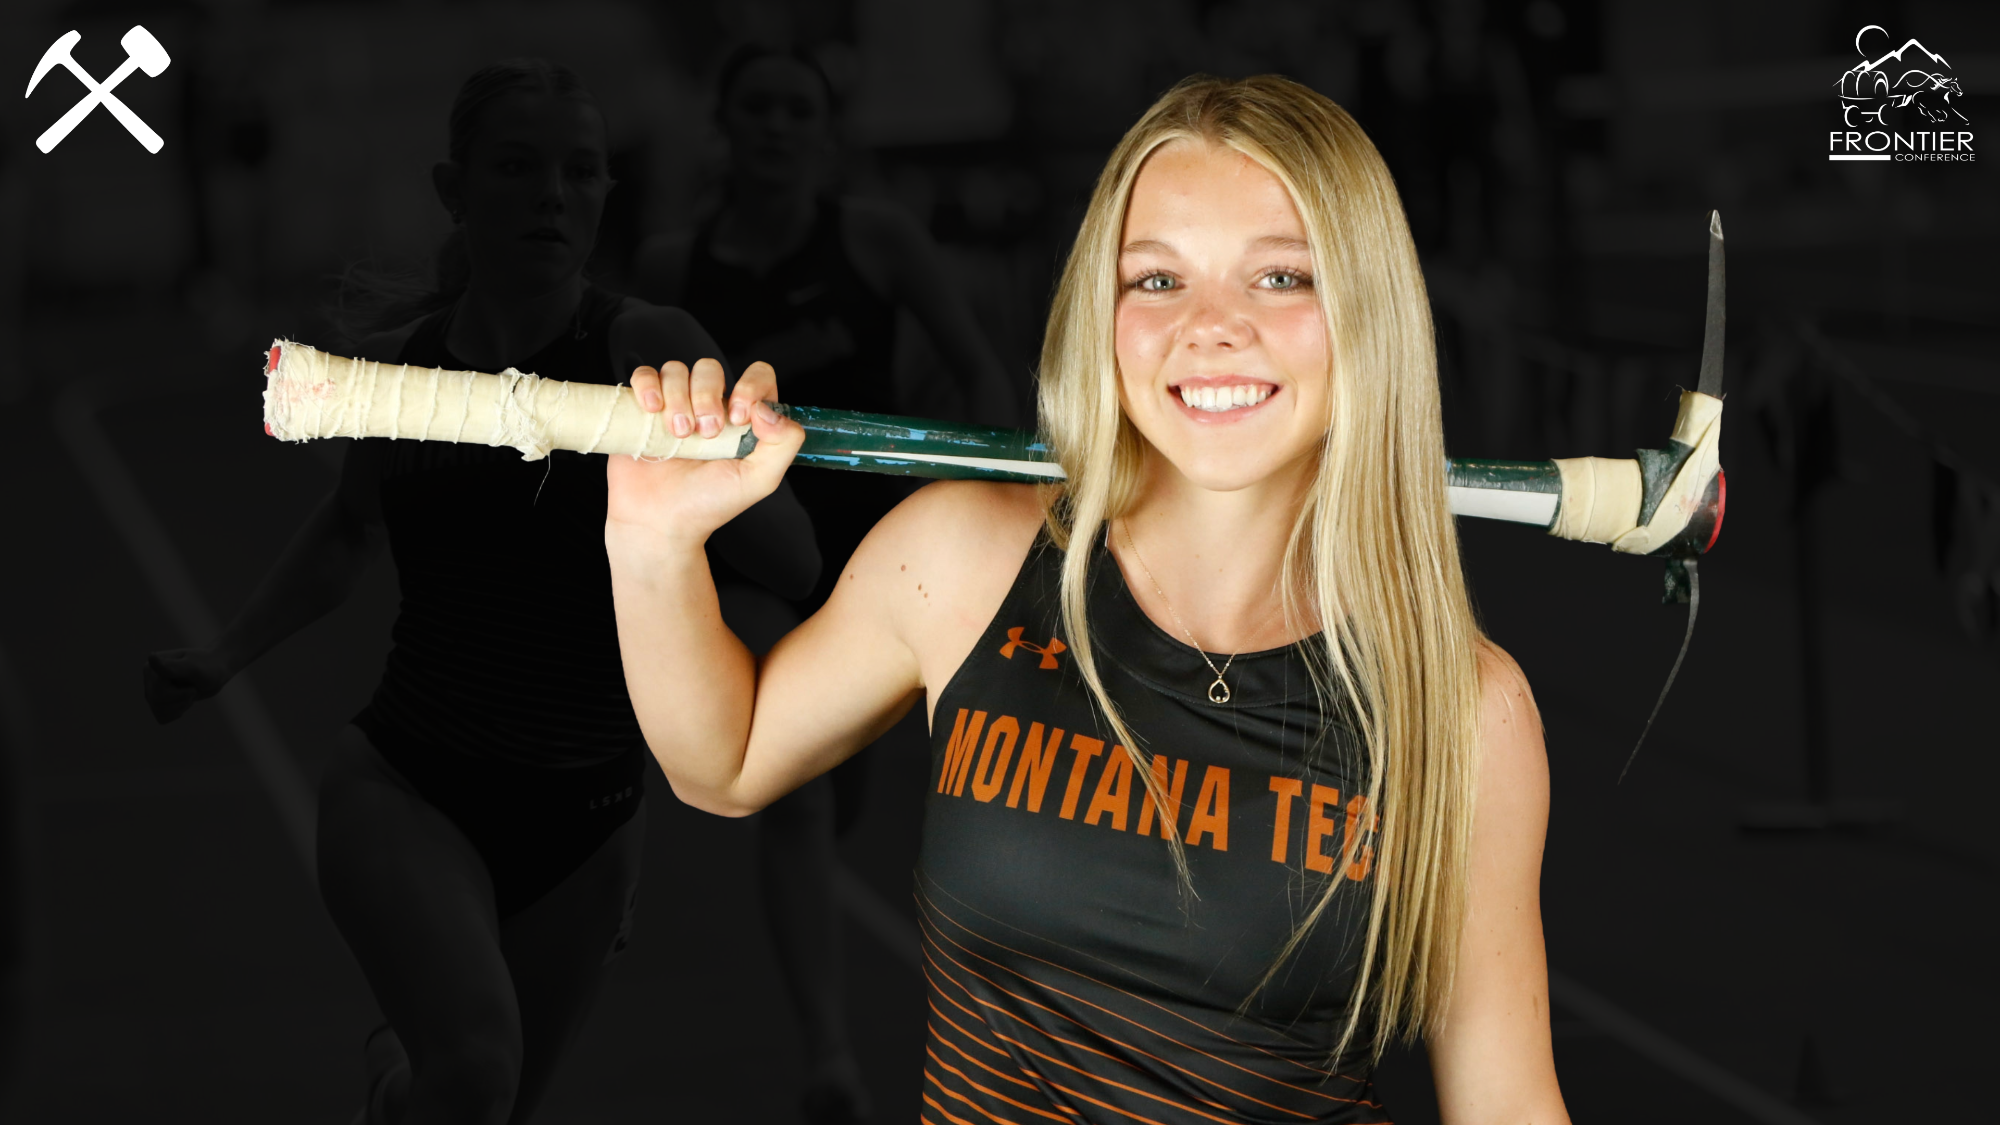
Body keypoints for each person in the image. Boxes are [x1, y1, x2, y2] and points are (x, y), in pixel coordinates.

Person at [605, 74, 1570, 1122]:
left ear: (1366, 308)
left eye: (1281, 276)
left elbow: (1506, 1104)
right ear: (1099, 312)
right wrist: (651, 544)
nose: (1210, 327)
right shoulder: (962, 558)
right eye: (1154, 281)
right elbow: (725, 763)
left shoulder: (1462, 709)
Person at [143, 60, 819, 1125]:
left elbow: (792, 562)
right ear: (454, 189)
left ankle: (390, 1091)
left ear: (604, 196)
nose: (553, 193)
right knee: (474, 1075)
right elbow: (347, 532)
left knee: (481, 1109)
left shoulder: (645, 349)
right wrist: (225, 654)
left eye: (581, 171)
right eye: (518, 167)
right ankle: (397, 1080)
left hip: (588, 819)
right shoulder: (404, 375)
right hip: (409, 784)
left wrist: (723, 469)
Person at [632, 45, 1019, 1121]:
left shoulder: (874, 238)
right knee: (795, 800)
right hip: (755, 563)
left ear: (823, 130)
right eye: (752, 105)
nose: (773, 126)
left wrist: (983, 488)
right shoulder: (675, 264)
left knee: (845, 792)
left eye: (794, 109)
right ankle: (829, 1057)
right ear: (723, 123)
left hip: (879, 563)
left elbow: (976, 363)